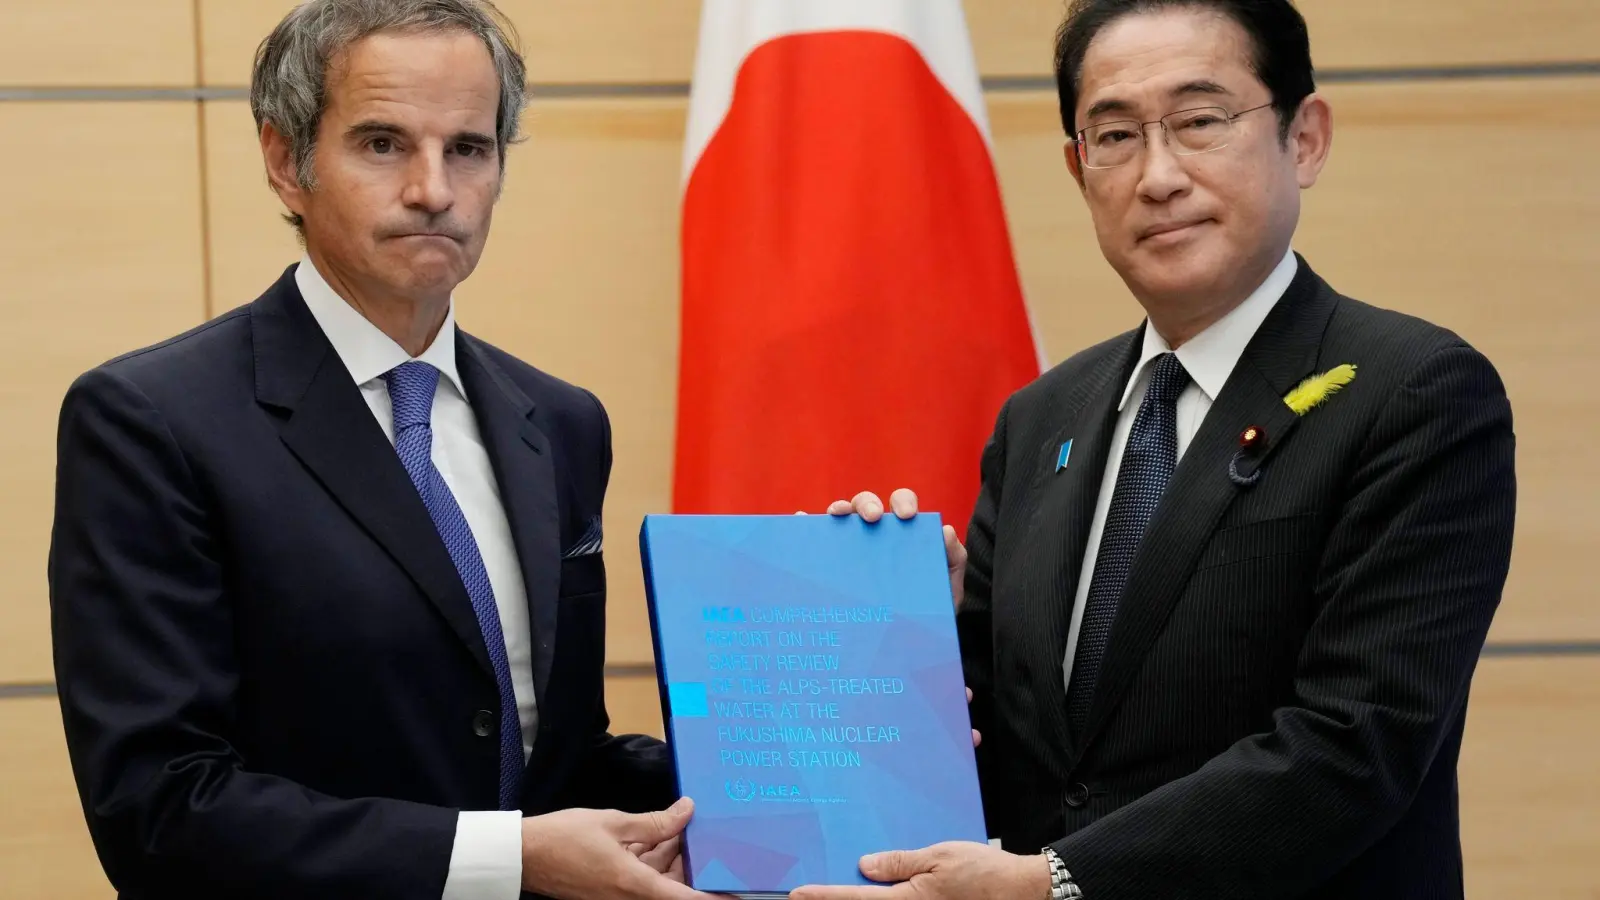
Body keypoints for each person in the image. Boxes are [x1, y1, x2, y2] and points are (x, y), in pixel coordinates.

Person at [798, 1, 1516, 898]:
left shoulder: (1412, 392)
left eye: (1200, 121)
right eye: (1115, 135)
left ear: (1305, 138)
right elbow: (1021, 750)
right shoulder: (1041, 419)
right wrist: (909, 632)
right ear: (1077, 167)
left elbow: (1354, 744)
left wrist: (1057, 882)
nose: (1158, 175)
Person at [47, 2, 711, 899]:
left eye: (469, 148)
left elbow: (548, 755)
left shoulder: (559, 421)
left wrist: (830, 731)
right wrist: (506, 859)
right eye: (384, 144)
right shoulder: (152, 422)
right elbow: (162, 808)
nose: (434, 189)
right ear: (288, 163)